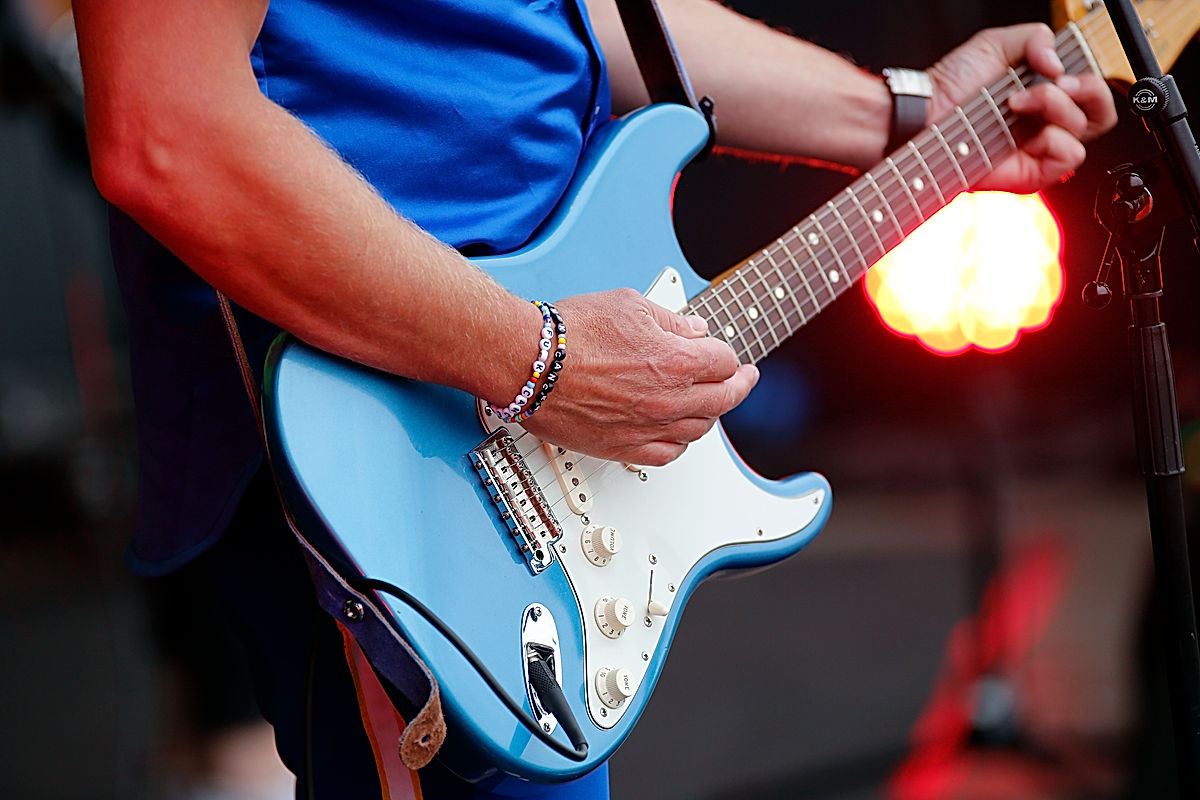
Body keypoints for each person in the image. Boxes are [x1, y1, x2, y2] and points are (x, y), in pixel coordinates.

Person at [71, 1, 1117, 798]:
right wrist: (541, 359)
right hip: (385, 440)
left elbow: (582, 19)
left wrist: (916, 112)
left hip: (522, 435)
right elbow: (169, 128)